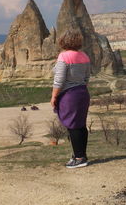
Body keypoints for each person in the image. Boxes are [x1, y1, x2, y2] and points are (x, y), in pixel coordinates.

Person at [51, 30, 90, 168]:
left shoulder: (64, 56)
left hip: (69, 95)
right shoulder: (84, 56)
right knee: (81, 125)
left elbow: (59, 80)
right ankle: (81, 155)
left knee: (73, 125)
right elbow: (86, 78)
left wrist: (54, 96)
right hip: (83, 92)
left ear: (63, 41)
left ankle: (79, 158)